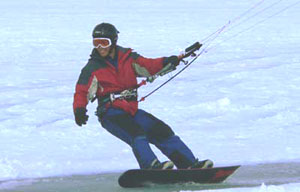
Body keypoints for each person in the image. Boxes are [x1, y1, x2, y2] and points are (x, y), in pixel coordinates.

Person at [73, 22, 213, 170]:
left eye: (104, 42)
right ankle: (151, 167)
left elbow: (149, 66)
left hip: (131, 111)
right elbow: (82, 91)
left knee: (162, 130)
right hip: (110, 113)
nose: (100, 47)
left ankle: (190, 165)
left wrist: (168, 61)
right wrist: (79, 110)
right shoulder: (92, 67)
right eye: (96, 43)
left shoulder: (128, 58)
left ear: (113, 42)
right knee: (136, 133)